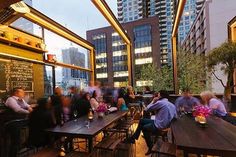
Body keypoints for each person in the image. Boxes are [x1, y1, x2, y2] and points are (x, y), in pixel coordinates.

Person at [127, 90, 177, 155]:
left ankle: (150, 147)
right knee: (142, 121)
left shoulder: (160, 102)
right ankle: (133, 138)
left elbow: (146, 109)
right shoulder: (172, 105)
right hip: (165, 126)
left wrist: (153, 101)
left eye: (158, 94)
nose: (157, 95)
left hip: (159, 126)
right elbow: (175, 117)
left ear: (161, 96)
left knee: (144, 128)